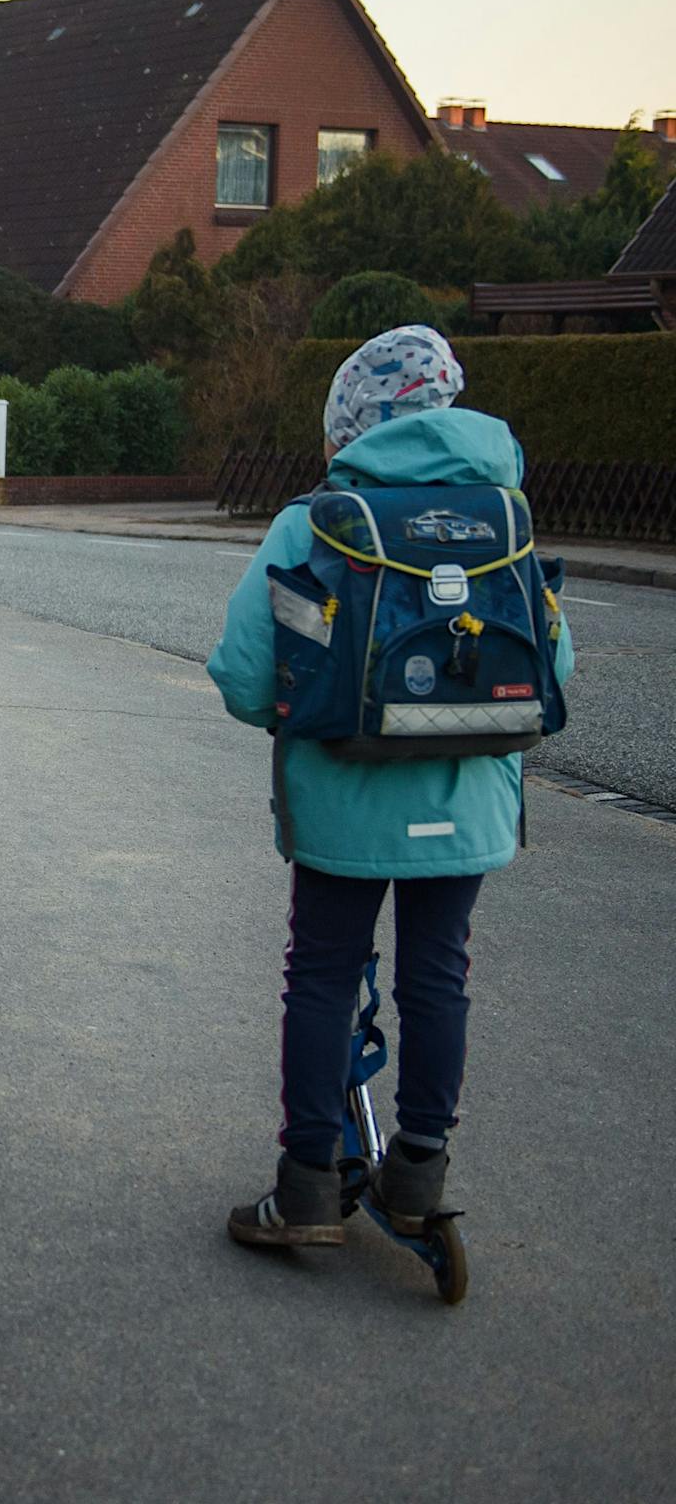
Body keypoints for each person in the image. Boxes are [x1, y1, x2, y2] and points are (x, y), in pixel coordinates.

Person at [207, 326, 574, 1248]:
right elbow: (555, 666)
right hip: (467, 799)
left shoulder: (315, 522)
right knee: (438, 974)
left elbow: (245, 677)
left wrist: (303, 715)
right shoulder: (505, 517)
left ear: (348, 423)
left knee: (324, 976)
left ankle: (306, 1187)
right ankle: (417, 1173)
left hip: (343, 797)